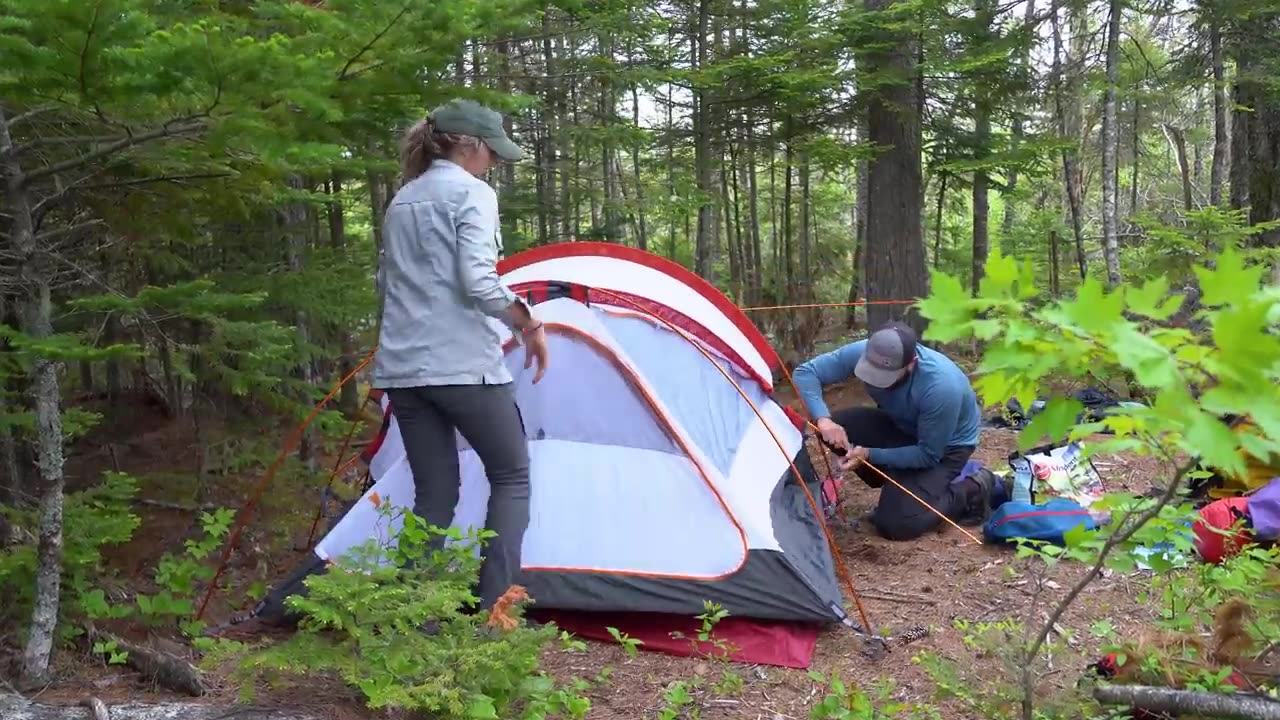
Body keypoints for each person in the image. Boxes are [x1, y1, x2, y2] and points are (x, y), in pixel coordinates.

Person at [371, 98, 548, 610]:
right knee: (511, 476)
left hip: (404, 371)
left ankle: (413, 622)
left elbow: (387, 284)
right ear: (469, 145)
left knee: (435, 495)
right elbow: (479, 282)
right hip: (463, 368)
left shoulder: (402, 199)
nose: (494, 162)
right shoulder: (473, 194)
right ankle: (496, 614)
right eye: (492, 152)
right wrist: (528, 322)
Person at [792, 320, 995, 541]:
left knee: (896, 525)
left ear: (911, 363)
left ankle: (972, 487)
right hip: (900, 426)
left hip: (944, 449)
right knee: (835, 427)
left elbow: (928, 454)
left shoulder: (941, 388)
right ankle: (900, 480)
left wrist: (870, 454)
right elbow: (806, 373)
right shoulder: (865, 351)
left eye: (885, 375)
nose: (877, 382)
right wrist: (824, 420)